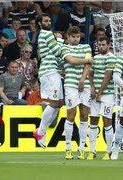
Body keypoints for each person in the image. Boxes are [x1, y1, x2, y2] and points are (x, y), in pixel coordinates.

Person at [33, 13, 92, 148]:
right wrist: (60, 41)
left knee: (58, 103)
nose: (48, 22)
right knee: (55, 102)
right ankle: (41, 131)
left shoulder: (45, 35)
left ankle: (40, 131)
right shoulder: (46, 34)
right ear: (40, 23)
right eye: (45, 21)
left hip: (53, 71)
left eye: (49, 20)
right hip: (50, 71)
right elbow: (58, 51)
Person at [60, 26, 92, 160]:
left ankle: (81, 148)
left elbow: (88, 66)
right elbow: (71, 61)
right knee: (71, 115)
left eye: (77, 36)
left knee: (84, 115)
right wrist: (86, 60)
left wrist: (83, 81)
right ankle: (68, 148)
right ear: (67, 37)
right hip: (70, 84)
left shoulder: (86, 47)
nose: (75, 39)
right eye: (73, 36)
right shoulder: (64, 48)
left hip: (83, 84)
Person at [88, 36, 117, 160]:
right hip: (96, 95)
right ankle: (92, 150)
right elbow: (90, 73)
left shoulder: (111, 57)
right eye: (99, 45)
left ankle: (108, 151)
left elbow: (108, 76)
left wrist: (100, 92)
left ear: (108, 45)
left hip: (108, 94)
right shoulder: (95, 58)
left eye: (103, 45)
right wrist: (93, 87)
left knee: (107, 121)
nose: (101, 47)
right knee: (93, 121)